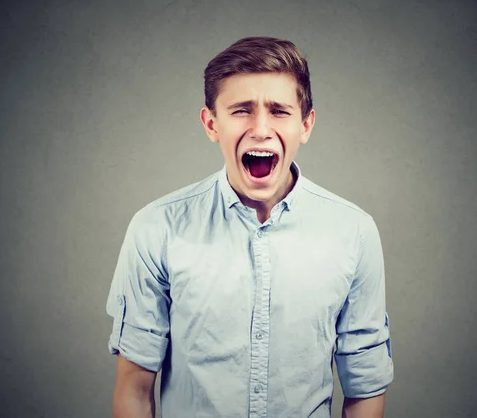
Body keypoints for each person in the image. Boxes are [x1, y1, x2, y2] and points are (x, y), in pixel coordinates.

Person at [106, 36, 394, 418]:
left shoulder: (355, 232)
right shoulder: (156, 227)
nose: (260, 128)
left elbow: (365, 387)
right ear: (212, 123)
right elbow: (134, 390)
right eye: (241, 110)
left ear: (305, 125)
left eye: (279, 111)